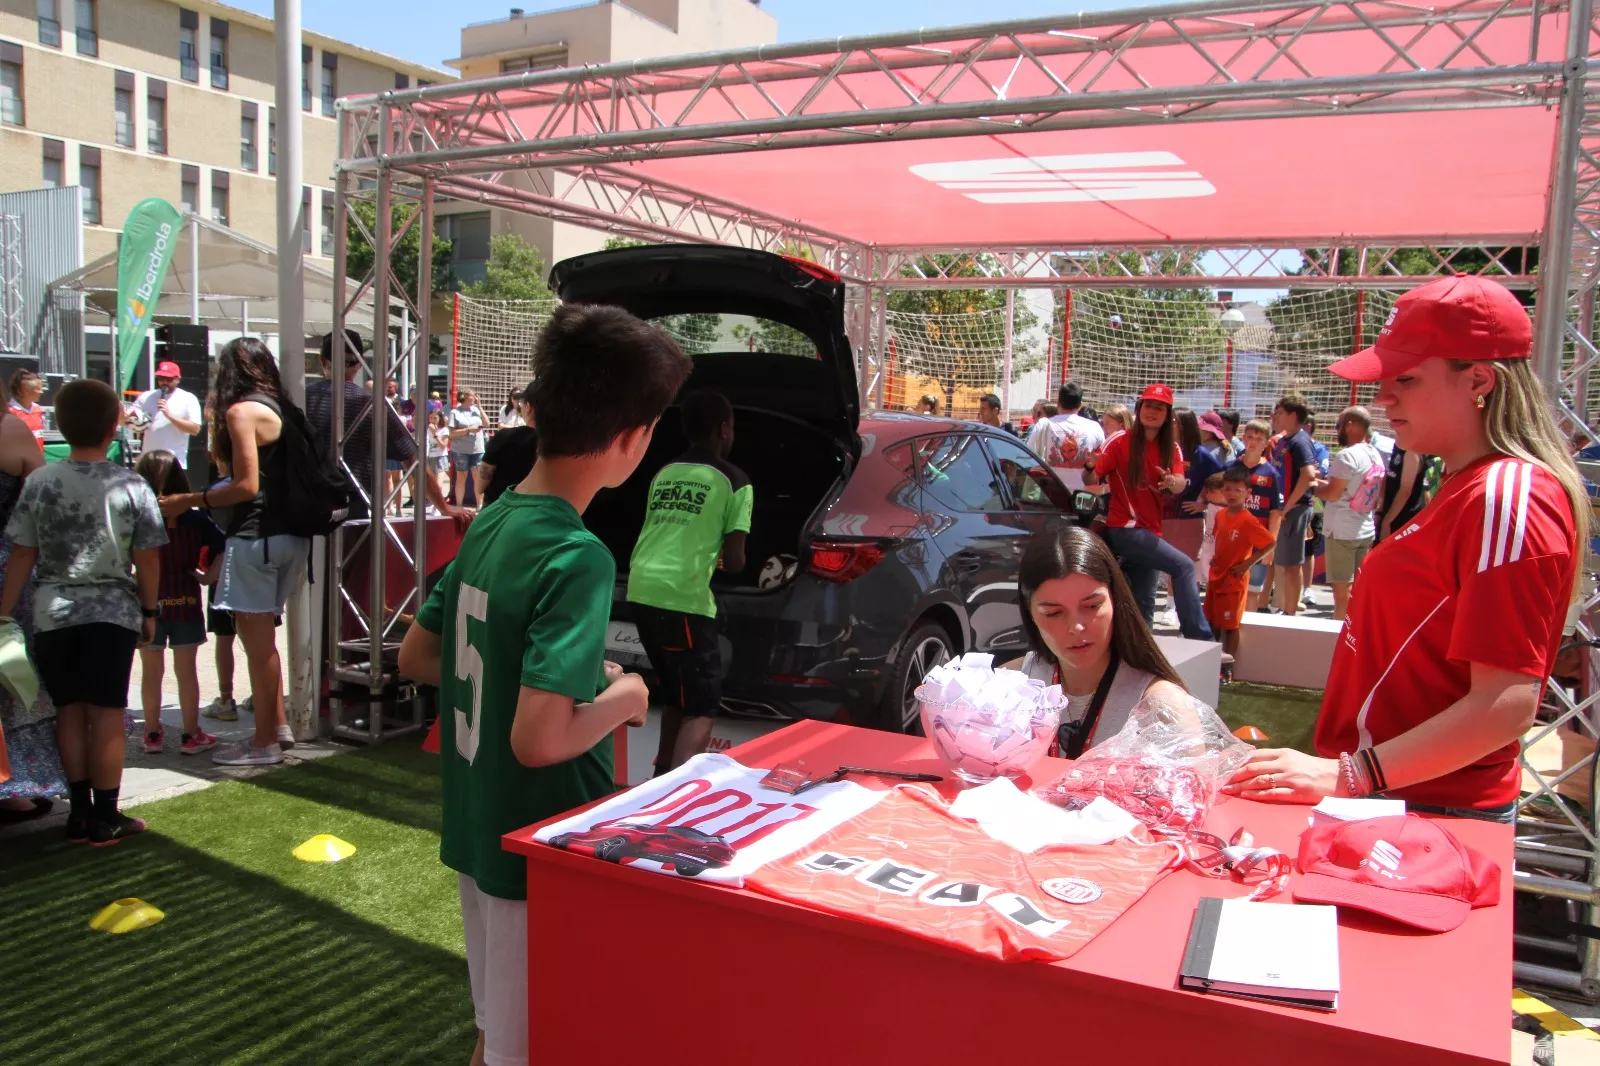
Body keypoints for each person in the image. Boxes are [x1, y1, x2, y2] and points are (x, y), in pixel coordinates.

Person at [396, 303, 690, 1066]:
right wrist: (624, 697)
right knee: (531, 1041)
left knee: (497, 1031)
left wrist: (546, 677)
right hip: (540, 847)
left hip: (476, 824)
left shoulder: (494, 520)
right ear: (634, 439)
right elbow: (540, 740)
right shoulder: (577, 554)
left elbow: (419, 657)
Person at [1229, 276, 1586, 821]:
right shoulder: (1474, 485)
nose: (1382, 397)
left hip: (1428, 805)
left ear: (1479, 381)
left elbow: (1506, 705)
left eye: (1407, 379)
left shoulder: (1505, 496)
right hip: (1402, 794)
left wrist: (1351, 774)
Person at [0, 378, 165, 844]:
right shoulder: (131, 483)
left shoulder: (40, 482)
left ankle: (78, 812)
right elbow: (149, 554)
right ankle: (108, 815)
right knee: (108, 713)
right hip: (112, 613)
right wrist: (150, 609)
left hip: (53, 611)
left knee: (69, 712)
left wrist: (6, 612)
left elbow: (22, 552)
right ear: (115, 425)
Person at [160, 339, 306, 766]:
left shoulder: (242, 412)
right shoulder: (284, 410)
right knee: (265, 644)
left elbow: (245, 486)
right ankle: (275, 727)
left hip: (256, 537)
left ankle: (264, 743)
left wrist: (190, 500)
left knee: (257, 646)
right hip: (288, 538)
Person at [628, 390, 754, 773]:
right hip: (682, 599)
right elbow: (735, 562)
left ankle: (657, 783)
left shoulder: (665, 472)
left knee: (677, 698)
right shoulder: (736, 481)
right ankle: (678, 800)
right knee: (702, 706)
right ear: (723, 429)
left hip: (640, 589)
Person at [1004, 525, 1191, 752]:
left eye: (1092, 606)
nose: (1077, 627)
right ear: (1030, 613)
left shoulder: (1162, 709)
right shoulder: (1006, 688)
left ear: (1115, 599)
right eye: (1053, 613)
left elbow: (1195, 782)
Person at [1088, 383, 1212, 641]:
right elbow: (1091, 476)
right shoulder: (1120, 441)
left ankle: (1141, 658)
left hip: (1150, 532)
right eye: (1147, 405)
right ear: (1139, 408)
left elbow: (1179, 482)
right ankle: (1201, 640)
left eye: (1158, 407)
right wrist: (1089, 467)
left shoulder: (1172, 447)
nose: (1151, 411)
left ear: (1168, 415)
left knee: (1143, 603)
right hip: (1126, 529)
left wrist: (1171, 483)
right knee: (1184, 566)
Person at [305, 330, 466, 525]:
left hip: (302, 507)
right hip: (353, 508)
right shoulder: (372, 405)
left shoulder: (300, 400)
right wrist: (443, 506)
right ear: (360, 363)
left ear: (322, 360)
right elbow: (414, 462)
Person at [134, 449, 225, 756]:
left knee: (151, 671)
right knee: (186, 671)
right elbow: (225, 545)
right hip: (185, 597)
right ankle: (189, 735)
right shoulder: (195, 518)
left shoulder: (138, 516)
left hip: (148, 599)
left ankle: (152, 733)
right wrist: (208, 577)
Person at [0, 395, 55, 823]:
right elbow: (43, 499)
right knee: (14, 677)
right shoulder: (12, 429)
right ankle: (11, 786)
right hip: (9, 572)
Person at [1207, 465, 1278, 678]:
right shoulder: (1220, 515)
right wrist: (1215, 558)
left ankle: (1227, 669)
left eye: (1237, 490)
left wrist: (1248, 564)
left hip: (1234, 580)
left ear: (1248, 493)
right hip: (1216, 576)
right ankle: (1212, 664)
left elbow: (1270, 543)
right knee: (1212, 623)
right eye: (1227, 489)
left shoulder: (1248, 520)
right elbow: (1221, 539)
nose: (1231, 494)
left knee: (1230, 626)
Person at [1317, 406, 1383, 621]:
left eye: (1339, 425)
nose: (1338, 431)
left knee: (1342, 593)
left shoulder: (1347, 455)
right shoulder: (1375, 454)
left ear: (1350, 426)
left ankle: (1340, 637)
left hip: (1342, 532)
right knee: (1356, 590)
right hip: (1364, 529)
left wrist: (1313, 488)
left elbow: (1333, 494)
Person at [1270, 393, 1319, 615]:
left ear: (1292, 415)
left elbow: (1308, 475)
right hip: (1286, 508)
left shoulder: (1300, 441)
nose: (1275, 417)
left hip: (1295, 509)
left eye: (1280, 413)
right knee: (1284, 563)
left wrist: (1288, 506)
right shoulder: (1286, 440)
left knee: (1292, 564)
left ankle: (1291, 612)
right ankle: (1285, 606)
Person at [1230, 418, 1284, 611]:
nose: (1253, 442)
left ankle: (1248, 632)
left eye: (1259, 438)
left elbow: (1276, 512)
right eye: (1250, 437)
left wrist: (1271, 545)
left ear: (1266, 443)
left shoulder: (1271, 474)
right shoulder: (1231, 468)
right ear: (1243, 438)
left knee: (1253, 591)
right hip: (1232, 539)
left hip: (1258, 543)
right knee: (1229, 586)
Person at [1028, 382, 1106, 493]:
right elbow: (1100, 460)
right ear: (1080, 405)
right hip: (1084, 498)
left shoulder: (1043, 425)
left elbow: (1028, 457)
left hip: (1052, 497)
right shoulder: (1094, 427)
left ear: (1058, 403)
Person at [132, 361, 204, 469]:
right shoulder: (145, 397)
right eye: (161, 378)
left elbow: (195, 429)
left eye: (169, 379)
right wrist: (123, 417)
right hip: (148, 461)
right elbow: (132, 423)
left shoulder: (188, 398)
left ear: (178, 379)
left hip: (173, 462)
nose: (164, 382)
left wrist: (169, 415)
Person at [478, 383, 538, 509]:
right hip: (537, 510)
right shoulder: (562, 442)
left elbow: (480, 486)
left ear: (528, 407)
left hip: (498, 509)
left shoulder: (504, 437)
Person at [1375, 444, 1431, 543]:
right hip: (1390, 511)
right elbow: (1389, 478)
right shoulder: (1398, 447)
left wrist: (1387, 521)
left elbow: (1405, 491)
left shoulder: (1411, 452)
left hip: (1404, 516)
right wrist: (1380, 511)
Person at [450, 389, 488, 505]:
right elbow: (451, 433)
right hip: (461, 450)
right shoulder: (455, 412)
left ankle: (479, 505)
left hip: (477, 449)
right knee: (462, 477)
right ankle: (459, 505)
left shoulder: (476, 410)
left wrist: (480, 406)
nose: (475, 397)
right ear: (465, 397)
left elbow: (487, 424)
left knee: (478, 477)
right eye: (472, 396)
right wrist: (468, 430)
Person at [7, 369, 46, 446]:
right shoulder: (9, 412)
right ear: (25, 391)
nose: (41, 392)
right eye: (38, 389)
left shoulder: (37, 409)